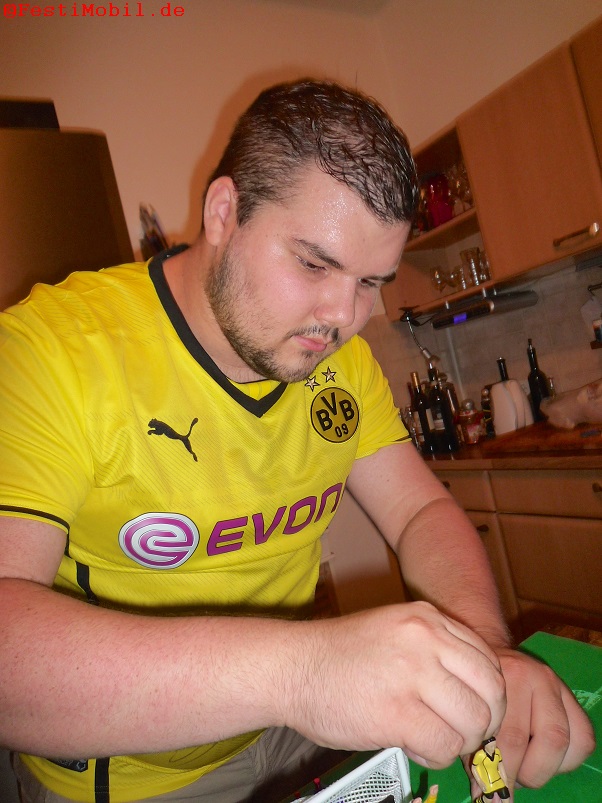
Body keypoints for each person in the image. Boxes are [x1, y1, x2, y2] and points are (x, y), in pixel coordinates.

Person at [0, 79, 594, 803]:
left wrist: (485, 647)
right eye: (315, 263)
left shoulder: (342, 363)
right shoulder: (51, 349)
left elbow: (419, 510)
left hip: (289, 728)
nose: (342, 316)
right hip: (134, 769)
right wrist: (306, 674)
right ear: (224, 212)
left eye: (371, 282)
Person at [471, 737, 510, 801]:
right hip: (487, 781)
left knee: (505, 795)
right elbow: (474, 768)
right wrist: (480, 782)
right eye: (491, 746)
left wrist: (505, 779)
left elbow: (500, 765)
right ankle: (479, 801)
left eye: (494, 745)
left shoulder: (497, 752)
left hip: (498, 779)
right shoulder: (480, 755)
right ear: (485, 746)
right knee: (489, 798)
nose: (493, 748)